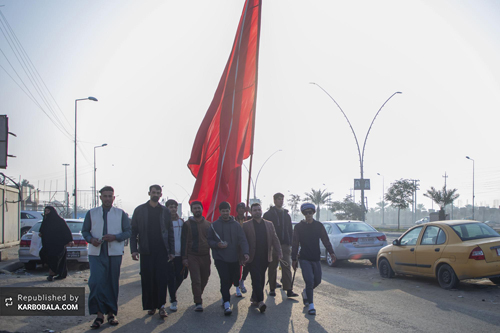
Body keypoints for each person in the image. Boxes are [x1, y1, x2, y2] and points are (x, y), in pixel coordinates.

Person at [82, 186, 131, 329]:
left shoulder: (120, 214)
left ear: (113, 198)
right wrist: (91, 240)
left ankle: (111, 313)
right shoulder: (91, 213)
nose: (108, 198)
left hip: (114, 252)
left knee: (111, 282)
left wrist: (115, 237)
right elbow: (85, 231)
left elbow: (128, 232)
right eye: (105, 196)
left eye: (110, 196)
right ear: (101, 197)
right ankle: (99, 315)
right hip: (96, 252)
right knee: (96, 282)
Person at [130, 185, 175, 319]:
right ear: (149, 193)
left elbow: (170, 232)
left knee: (161, 279)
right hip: (146, 250)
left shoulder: (165, 211)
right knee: (148, 279)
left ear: (161, 195)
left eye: (158, 192)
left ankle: (161, 306)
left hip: (162, 251)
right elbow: (134, 232)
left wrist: (171, 251)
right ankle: (151, 306)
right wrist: (134, 250)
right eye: (153, 192)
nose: (155, 194)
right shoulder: (140, 210)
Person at [292, 203, 335, 315]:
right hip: (304, 258)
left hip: (316, 258)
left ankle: (306, 292)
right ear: (303, 214)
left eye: (310, 212)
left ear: (313, 213)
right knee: (309, 280)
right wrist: (294, 259)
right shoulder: (298, 227)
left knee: (317, 280)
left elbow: (325, 240)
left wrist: (331, 252)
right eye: (306, 213)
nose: (308, 215)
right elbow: (295, 243)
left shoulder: (319, 226)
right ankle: (311, 305)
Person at [207, 201, 249, 316]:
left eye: (227, 210)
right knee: (224, 279)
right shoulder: (214, 225)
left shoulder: (236, 225)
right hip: (220, 258)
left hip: (234, 258)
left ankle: (225, 294)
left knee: (233, 279)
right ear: (220, 212)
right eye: (223, 211)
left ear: (230, 211)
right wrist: (217, 245)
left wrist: (246, 253)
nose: (225, 213)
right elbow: (209, 240)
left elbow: (243, 239)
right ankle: (226, 302)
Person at [242, 203, 282, 313]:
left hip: (265, 256)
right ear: (251, 211)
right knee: (256, 278)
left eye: (259, 209)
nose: (257, 212)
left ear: (261, 210)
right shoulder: (246, 225)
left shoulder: (269, 224)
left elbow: (275, 239)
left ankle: (254, 298)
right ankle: (260, 301)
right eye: (254, 210)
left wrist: (279, 252)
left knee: (261, 279)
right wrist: (243, 255)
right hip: (252, 257)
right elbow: (243, 241)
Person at [263, 192, 298, 298]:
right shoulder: (268, 215)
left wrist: (291, 242)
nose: (281, 201)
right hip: (272, 245)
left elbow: (289, 230)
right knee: (272, 267)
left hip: (285, 245)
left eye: (282, 199)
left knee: (286, 266)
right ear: (274, 200)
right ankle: (272, 288)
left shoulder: (286, 215)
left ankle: (288, 289)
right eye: (278, 199)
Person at [180, 201, 212, 312]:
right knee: (196, 280)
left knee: (205, 277)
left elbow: (212, 240)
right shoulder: (187, 224)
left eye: (199, 208)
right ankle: (198, 301)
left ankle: (198, 293)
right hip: (192, 255)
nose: (197, 210)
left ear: (202, 209)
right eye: (195, 208)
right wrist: (184, 258)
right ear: (192, 210)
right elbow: (183, 242)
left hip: (205, 255)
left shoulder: (208, 224)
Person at [39, 206, 73, 281]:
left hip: (59, 244)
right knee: (44, 255)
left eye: (48, 211)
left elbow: (66, 231)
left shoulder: (59, 221)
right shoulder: (45, 220)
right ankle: (59, 273)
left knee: (56, 259)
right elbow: (42, 230)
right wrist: (41, 233)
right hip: (48, 244)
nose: (47, 212)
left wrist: (70, 240)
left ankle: (52, 274)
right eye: (46, 211)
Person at [165, 199, 187, 312]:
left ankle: (171, 292)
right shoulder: (164, 222)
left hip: (180, 255)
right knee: (170, 278)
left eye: (174, 207)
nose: (173, 209)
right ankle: (173, 300)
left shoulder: (181, 222)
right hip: (169, 255)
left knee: (181, 276)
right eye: (170, 207)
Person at [235, 202, 249, 294]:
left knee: (247, 265)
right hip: (236, 246)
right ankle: (236, 286)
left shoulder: (248, 219)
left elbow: (259, 218)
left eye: (243, 208)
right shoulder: (233, 219)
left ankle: (242, 280)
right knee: (236, 266)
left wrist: (250, 210)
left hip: (246, 245)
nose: (241, 210)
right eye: (239, 208)